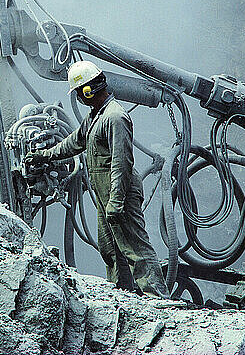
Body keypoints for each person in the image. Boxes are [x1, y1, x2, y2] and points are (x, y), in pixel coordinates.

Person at [25, 60, 169, 298]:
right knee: (111, 249)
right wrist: (45, 156)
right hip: (105, 193)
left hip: (119, 191)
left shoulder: (114, 117)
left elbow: (121, 163)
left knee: (135, 247)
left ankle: (158, 298)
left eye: (80, 93)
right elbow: (74, 142)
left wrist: (117, 201)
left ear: (88, 90)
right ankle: (122, 295)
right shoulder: (95, 117)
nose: (80, 98)